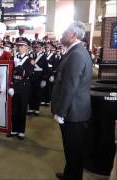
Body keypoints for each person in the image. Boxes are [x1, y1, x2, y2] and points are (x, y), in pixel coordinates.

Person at [51, 21, 92, 180]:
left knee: (73, 148)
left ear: (73, 35)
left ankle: (73, 177)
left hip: (72, 112)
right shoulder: (76, 51)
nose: (62, 34)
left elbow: (70, 86)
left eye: (65, 31)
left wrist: (60, 112)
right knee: (71, 148)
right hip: (74, 109)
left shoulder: (76, 54)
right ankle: (70, 174)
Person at [6, 37, 34, 140]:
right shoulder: (13, 58)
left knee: (22, 110)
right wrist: (11, 86)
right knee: (14, 110)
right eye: (18, 45)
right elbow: (10, 73)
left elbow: (27, 74)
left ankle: (21, 131)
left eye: (22, 46)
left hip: (24, 88)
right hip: (14, 87)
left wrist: (19, 67)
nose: (19, 47)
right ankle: (14, 129)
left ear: (27, 47)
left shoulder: (30, 60)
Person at [28, 41, 49, 115]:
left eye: (37, 47)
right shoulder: (30, 55)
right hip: (31, 77)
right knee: (30, 93)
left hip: (39, 77)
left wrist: (44, 79)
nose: (35, 48)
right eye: (34, 47)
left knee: (37, 93)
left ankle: (36, 108)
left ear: (40, 48)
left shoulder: (43, 57)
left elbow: (46, 68)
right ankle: (30, 108)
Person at [40, 41, 55, 106]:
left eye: (48, 47)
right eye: (45, 47)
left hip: (50, 71)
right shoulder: (42, 55)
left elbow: (54, 65)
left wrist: (52, 75)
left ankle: (48, 100)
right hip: (44, 71)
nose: (46, 48)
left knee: (48, 87)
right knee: (43, 85)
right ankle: (42, 100)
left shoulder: (53, 55)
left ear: (50, 48)